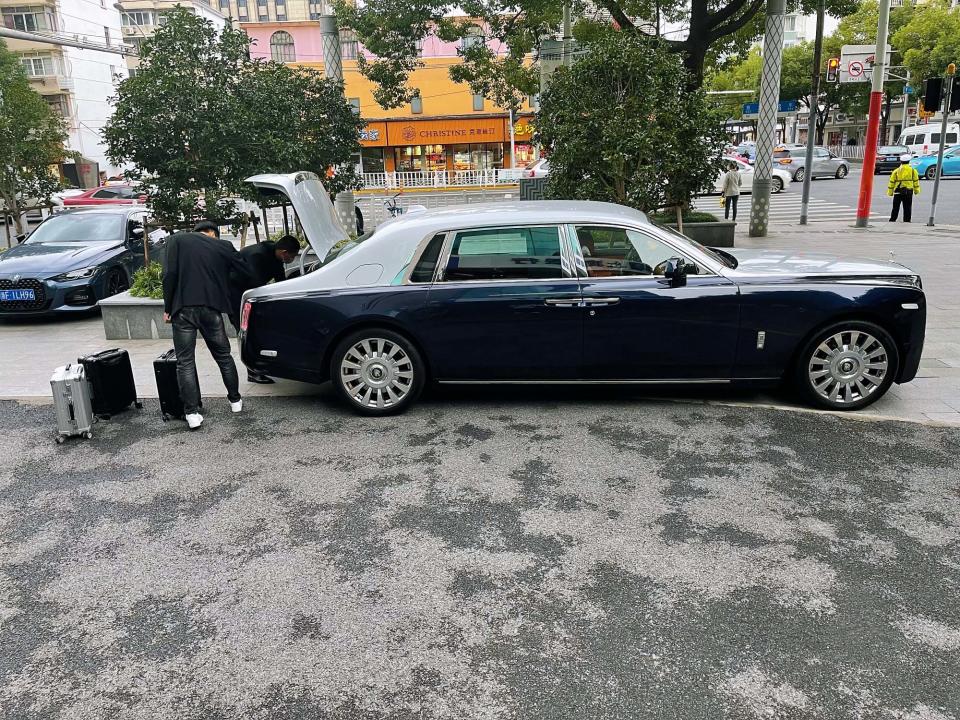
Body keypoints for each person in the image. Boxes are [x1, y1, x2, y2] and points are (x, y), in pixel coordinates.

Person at [162, 220, 248, 429]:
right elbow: (244, 271)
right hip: (211, 309)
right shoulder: (221, 246)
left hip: (183, 310)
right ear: (212, 233)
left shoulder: (176, 240)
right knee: (224, 356)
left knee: (185, 362)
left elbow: (169, 275)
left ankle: (192, 413)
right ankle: (235, 401)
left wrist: (168, 307)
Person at [228, 234, 301, 383]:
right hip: (237, 297)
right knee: (246, 333)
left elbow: (281, 281)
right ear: (284, 252)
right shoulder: (258, 255)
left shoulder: (275, 255)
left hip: (249, 294)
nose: (292, 260)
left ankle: (260, 367)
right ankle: (252, 372)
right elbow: (256, 283)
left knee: (257, 332)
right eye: (292, 257)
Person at [888, 154, 920, 223]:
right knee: (907, 207)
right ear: (909, 161)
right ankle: (907, 221)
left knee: (895, 207)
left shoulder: (896, 171)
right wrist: (916, 191)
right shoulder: (913, 170)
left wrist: (890, 192)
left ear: (901, 162)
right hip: (908, 192)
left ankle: (892, 220)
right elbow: (916, 181)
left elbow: (892, 182)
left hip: (898, 191)